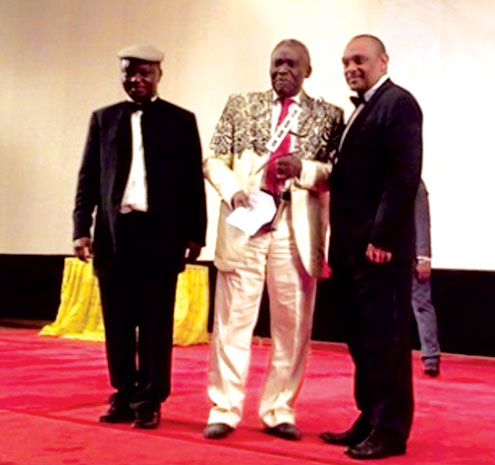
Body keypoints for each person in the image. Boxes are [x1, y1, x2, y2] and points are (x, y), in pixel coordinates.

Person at [203, 39, 344, 441]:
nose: (283, 71)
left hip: (294, 230)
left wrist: (306, 170)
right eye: (277, 64)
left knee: (293, 325)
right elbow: (214, 159)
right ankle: (224, 408)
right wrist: (233, 191)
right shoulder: (240, 105)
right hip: (245, 222)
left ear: (308, 71)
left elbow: (338, 173)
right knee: (232, 321)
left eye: (292, 65)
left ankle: (279, 408)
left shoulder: (328, 116)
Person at [73, 44, 207, 429]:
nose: (136, 79)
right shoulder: (103, 119)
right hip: (114, 237)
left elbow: (191, 184)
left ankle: (150, 398)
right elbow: (88, 179)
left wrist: (196, 233)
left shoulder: (181, 121)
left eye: (145, 72)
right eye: (129, 72)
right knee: (117, 322)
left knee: (154, 323)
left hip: (160, 237)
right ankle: (123, 393)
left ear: (159, 75)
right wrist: (81, 228)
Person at [320, 35, 422, 459]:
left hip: (378, 252)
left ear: (383, 60)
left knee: (386, 342)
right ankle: (369, 417)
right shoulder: (359, 112)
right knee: (361, 341)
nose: (351, 67)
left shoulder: (398, 104)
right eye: (345, 61)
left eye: (359, 60)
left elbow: (403, 179)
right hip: (349, 251)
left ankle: (391, 430)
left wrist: (382, 238)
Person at [413, 180, 441, 377]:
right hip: (392, 255)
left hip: (413, 257)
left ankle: (431, 357)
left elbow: (422, 221)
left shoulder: (416, 186)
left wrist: (424, 256)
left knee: (422, 304)